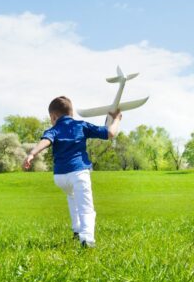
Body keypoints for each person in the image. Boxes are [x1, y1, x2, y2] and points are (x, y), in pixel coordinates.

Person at [24, 96, 122, 248]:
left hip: (60, 177)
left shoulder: (54, 129)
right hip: (78, 173)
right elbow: (110, 133)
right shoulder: (81, 125)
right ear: (71, 113)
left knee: (72, 196)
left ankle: (77, 231)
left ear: (53, 116)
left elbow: (46, 141)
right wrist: (116, 119)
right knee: (86, 207)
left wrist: (32, 153)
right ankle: (87, 239)